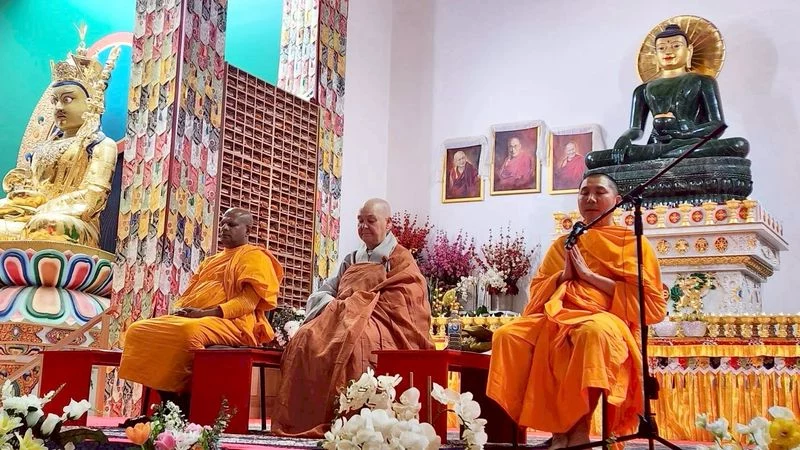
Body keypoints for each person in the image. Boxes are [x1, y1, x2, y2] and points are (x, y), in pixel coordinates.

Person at [486, 173, 666, 449]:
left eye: (599, 192)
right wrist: (563, 276)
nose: (590, 198)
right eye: (584, 192)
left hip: (605, 318)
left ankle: (578, 430)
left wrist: (590, 277)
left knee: (590, 334)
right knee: (508, 336)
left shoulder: (632, 244)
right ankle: (555, 429)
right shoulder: (564, 243)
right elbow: (536, 297)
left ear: (617, 200)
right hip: (557, 315)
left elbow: (652, 306)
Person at [272, 198, 434, 437]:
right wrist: (339, 307)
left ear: (388, 223)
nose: (364, 226)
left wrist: (360, 305)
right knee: (304, 337)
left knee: (355, 341)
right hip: (341, 315)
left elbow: (407, 297)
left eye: (371, 221)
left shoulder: (400, 258)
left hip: (381, 320)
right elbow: (326, 290)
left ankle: (350, 418)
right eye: (360, 221)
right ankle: (305, 418)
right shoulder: (351, 259)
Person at [119, 208, 283, 410]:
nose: (224, 228)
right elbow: (191, 293)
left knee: (188, 332)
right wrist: (183, 311)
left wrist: (205, 313)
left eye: (231, 225)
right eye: (222, 224)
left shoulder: (256, 257)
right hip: (200, 318)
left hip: (236, 323)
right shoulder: (211, 261)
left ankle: (186, 402)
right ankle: (167, 400)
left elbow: (247, 303)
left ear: (248, 230)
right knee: (139, 329)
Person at [0, 28, 119, 247]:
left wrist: (44, 209)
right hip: (32, 218)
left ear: (92, 102)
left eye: (68, 99)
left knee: (46, 226)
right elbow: (33, 193)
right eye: (55, 101)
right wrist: (22, 201)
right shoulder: (41, 150)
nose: (59, 107)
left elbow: (92, 198)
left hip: (71, 224)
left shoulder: (100, 145)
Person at [585, 24, 748, 169]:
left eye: (676, 46)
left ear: (689, 51)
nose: (668, 51)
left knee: (739, 145)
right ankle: (669, 155)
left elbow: (718, 126)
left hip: (690, 142)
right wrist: (624, 138)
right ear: (655, 54)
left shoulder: (703, 81)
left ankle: (666, 156)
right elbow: (636, 129)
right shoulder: (643, 89)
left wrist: (685, 134)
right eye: (662, 48)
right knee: (592, 159)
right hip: (655, 146)